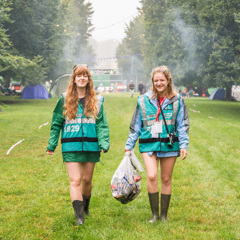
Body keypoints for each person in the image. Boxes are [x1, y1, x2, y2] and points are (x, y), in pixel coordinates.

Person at [46, 65, 110, 227]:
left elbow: (101, 124)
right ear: (74, 80)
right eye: (78, 76)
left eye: (85, 76)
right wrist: (51, 145)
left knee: (87, 180)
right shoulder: (64, 99)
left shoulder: (97, 100)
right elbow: (56, 123)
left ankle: (85, 207)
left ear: (89, 80)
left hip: (91, 146)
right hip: (70, 147)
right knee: (75, 180)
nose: (82, 78)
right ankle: (79, 216)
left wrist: (104, 142)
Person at [125, 65, 189, 223]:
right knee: (152, 176)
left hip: (169, 144)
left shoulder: (177, 100)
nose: (159, 83)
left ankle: (164, 216)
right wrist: (129, 144)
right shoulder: (143, 100)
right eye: (156, 80)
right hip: (148, 144)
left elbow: (182, 124)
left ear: (168, 81)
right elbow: (136, 125)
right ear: (152, 82)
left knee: (166, 179)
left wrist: (183, 145)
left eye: (162, 80)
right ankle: (154, 215)